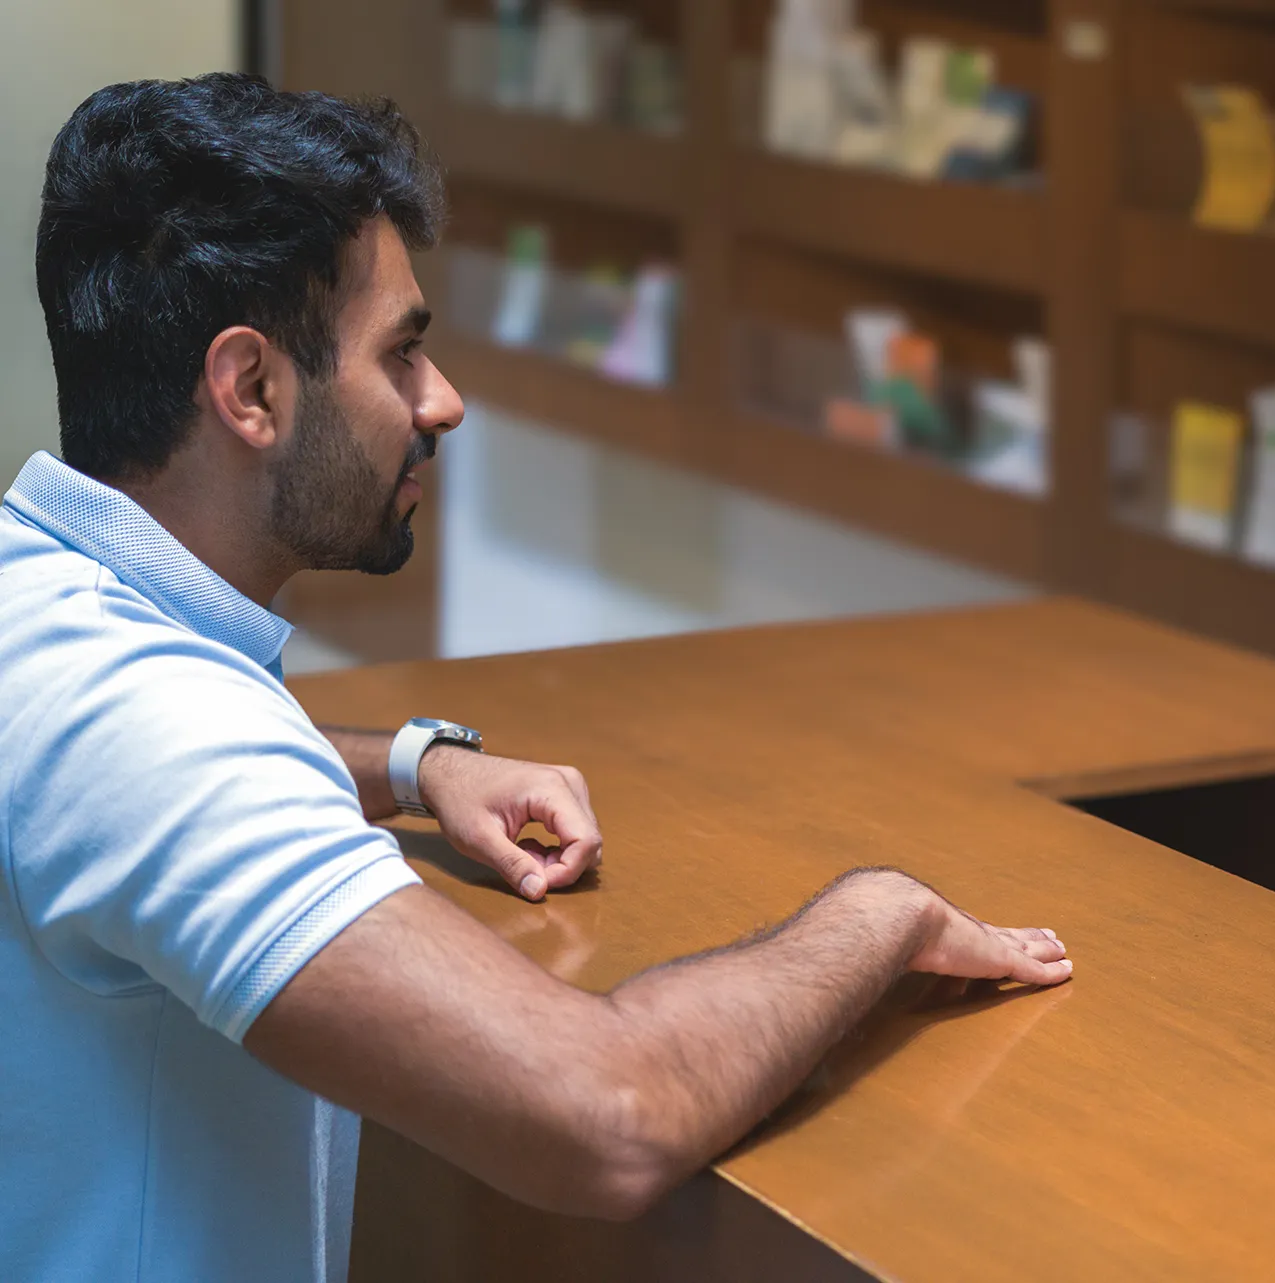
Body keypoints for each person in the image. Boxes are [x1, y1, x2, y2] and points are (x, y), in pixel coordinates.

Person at [0, 73, 1071, 1283]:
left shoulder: (42, 601)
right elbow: (606, 1119)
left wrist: (415, 764)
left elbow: (138, 774)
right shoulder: (154, 729)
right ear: (250, 388)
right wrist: (882, 911)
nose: (442, 401)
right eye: (401, 354)